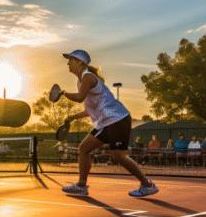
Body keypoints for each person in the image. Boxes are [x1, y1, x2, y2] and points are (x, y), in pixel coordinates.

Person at [57, 49, 157, 197]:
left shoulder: (88, 77)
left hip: (118, 119)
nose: (67, 63)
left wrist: (62, 93)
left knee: (118, 156)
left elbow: (79, 98)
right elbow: (90, 108)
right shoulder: (81, 81)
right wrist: (75, 116)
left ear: (80, 62)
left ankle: (148, 185)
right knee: (83, 148)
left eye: (70, 60)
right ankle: (81, 186)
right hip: (105, 122)